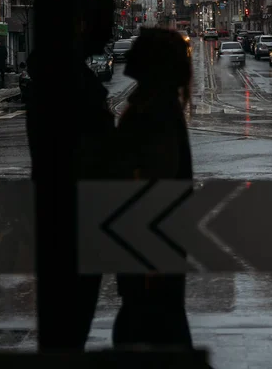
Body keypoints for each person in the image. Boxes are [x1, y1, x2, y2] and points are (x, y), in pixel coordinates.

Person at [26, 0, 116, 351]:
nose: (110, 34)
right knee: (68, 332)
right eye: (105, 24)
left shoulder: (63, 75)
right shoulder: (68, 82)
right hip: (74, 223)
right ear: (81, 24)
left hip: (71, 221)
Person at [112, 27, 193, 349]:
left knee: (151, 330)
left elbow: (155, 180)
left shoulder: (154, 111)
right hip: (149, 244)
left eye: (138, 48)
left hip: (148, 246)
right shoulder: (153, 105)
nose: (129, 52)